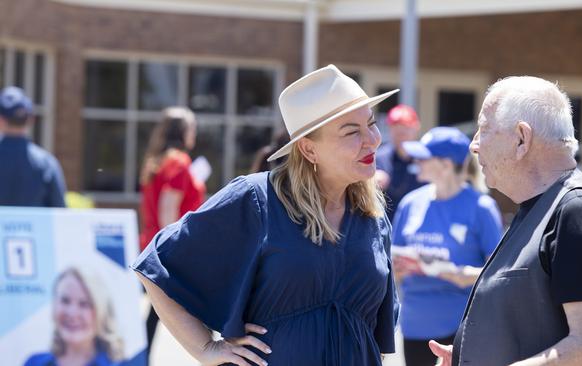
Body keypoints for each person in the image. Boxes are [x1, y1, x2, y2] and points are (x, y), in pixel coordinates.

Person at [132, 64, 400, 366]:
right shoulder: (257, 198)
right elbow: (156, 265)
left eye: (371, 123)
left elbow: (375, 337)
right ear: (309, 150)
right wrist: (206, 348)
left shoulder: (373, 217)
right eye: (352, 131)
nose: (373, 139)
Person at [429, 76, 582, 366]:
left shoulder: (579, 211)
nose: (474, 145)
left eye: (483, 130)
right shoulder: (541, 209)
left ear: (521, 139)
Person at [391, 126, 502, 366]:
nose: (415, 161)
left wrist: (454, 273)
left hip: (459, 329)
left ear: (446, 164)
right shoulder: (411, 204)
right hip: (413, 327)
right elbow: (393, 264)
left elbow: (499, 274)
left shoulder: (481, 208)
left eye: (423, 157)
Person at [138, 106, 206, 359]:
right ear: (183, 131)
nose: (195, 132)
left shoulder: (158, 162)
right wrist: (175, 249)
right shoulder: (178, 162)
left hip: (152, 246)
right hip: (169, 250)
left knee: (157, 311)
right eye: (192, 127)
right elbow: (168, 208)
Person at [24, 267, 124, 366]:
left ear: (102, 312)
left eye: (84, 304)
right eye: (65, 301)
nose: (72, 313)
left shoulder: (118, 364)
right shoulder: (35, 363)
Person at [0, 86, 66, 207]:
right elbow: (59, 210)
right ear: (30, 120)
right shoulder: (46, 163)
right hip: (35, 226)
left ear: (1, 120)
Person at [375, 104, 424, 220]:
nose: (401, 134)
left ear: (416, 128)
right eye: (396, 129)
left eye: (405, 129)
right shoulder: (379, 157)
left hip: (418, 223)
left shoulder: (425, 158)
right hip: (387, 225)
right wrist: (371, 181)